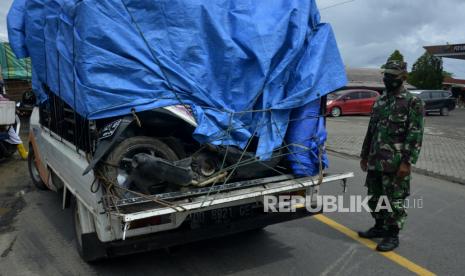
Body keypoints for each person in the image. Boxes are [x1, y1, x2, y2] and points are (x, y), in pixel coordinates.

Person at [358, 60, 424, 252]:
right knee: (374, 196)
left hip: (395, 164)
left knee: (394, 200)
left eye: (392, 76)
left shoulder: (413, 102)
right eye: (386, 75)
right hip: (375, 159)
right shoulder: (380, 101)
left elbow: (415, 135)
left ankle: (392, 235)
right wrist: (364, 155)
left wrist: (407, 162)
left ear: (403, 77)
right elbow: (371, 130)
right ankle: (379, 227)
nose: (388, 79)